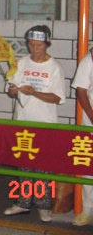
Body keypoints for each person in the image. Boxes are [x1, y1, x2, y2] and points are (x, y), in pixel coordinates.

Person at [3, 25, 64, 223]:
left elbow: (57, 98)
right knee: (24, 165)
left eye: (39, 45)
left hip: (45, 124)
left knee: (43, 166)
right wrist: (13, 91)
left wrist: (34, 92)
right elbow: (11, 90)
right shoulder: (21, 63)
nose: (35, 48)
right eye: (31, 44)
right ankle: (23, 202)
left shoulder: (54, 67)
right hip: (23, 121)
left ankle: (43, 205)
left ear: (47, 44)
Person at [72, 47, 93, 226]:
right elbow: (81, 90)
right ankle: (88, 210)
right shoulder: (89, 60)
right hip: (91, 123)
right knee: (89, 169)